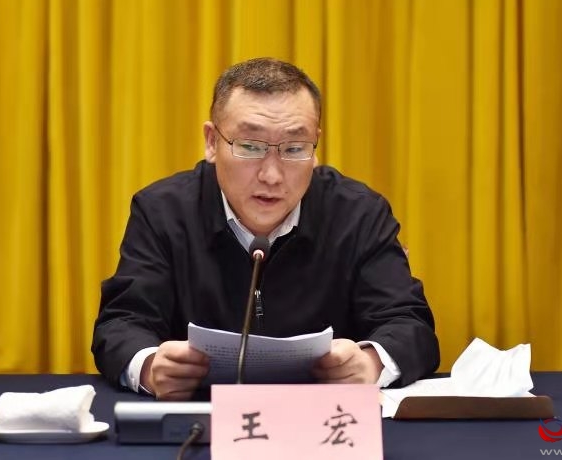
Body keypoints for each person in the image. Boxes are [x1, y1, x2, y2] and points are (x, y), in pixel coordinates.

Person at [92, 57, 439, 400]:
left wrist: (370, 363)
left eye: (294, 148)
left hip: (323, 423)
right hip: (202, 417)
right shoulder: (163, 211)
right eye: (250, 147)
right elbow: (121, 323)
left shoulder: (359, 214)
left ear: (315, 147)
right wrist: (150, 367)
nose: (271, 175)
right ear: (212, 142)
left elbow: (410, 324)